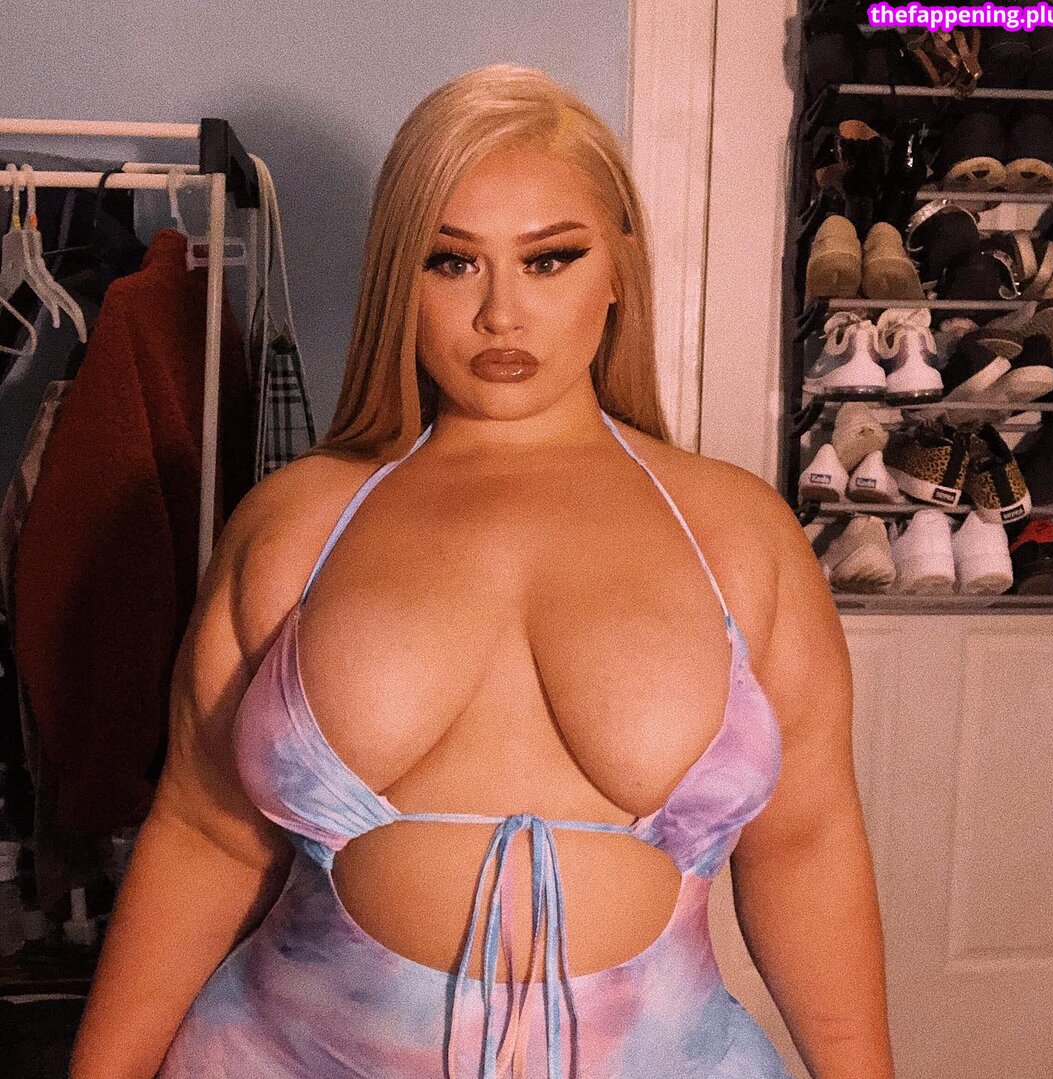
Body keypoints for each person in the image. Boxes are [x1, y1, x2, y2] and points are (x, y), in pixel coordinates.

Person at [70, 64, 895, 1079]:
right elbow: (205, 837)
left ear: (619, 268)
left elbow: (804, 847)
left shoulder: (740, 536)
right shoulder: (294, 526)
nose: (501, 312)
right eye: (451, 261)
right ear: (397, 277)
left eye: (549, 259)